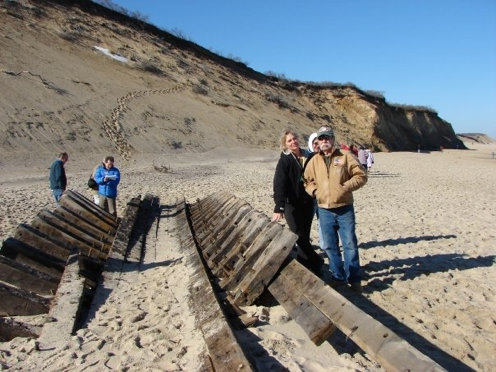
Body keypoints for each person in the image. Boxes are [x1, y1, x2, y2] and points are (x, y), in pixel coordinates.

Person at [304, 126, 367, 292]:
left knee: (350, 245)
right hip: (324, 210)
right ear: (317, 141)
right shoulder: (314, 161)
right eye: (322, 138)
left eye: (327, 137)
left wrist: (345, 187)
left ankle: (354, 279)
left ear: (333, 139)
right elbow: (306, 181)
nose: (324, 141)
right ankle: (338, 277)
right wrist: (315, 191)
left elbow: (361, 176)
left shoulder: (345, 156)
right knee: (330, 246)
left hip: (344, 208)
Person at [272, 129, 324, 276]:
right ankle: (316, 261)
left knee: (305, 235)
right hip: (291, 204)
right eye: (289, 140)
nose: (293, 142)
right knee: (297, 235)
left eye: (294, 139)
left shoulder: (309, 156)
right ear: (285, 145)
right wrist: (279, 206)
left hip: (307, 202)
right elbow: (279, 184)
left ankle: (306, 265)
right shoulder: (285, 160)